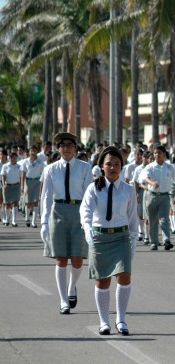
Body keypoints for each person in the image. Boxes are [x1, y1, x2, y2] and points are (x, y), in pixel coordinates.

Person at [80, 146, 138, 336]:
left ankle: (121, 319)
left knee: (124, 277)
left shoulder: (128, 190)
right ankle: (104, 321)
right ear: (102, 166)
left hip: (121, 237)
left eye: (116, 164)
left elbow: (132, 218)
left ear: (122, 166)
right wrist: (88, 232)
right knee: (102, 280)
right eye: (109, 164)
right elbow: (85, 212)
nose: (113, 167)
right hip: (99, 237)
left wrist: (134, 240)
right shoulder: (94, 188)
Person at [40, 132, 93, 314]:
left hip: (79, 212)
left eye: (70, 145)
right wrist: (44, 222)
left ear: (75, 148)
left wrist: (90, 221)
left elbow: (89, 195)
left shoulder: (85, 168)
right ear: (58, 149)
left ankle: (72, 287)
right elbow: (46, 196)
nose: (66, 148)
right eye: (62, 145)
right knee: (61, 258)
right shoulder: (50, 169)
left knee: (78, 259)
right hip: (58, 211)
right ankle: (63, 300)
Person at [145, 145, 175, 251]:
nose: (156, 155)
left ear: (164, 154)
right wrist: (152, 183)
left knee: (164, 219)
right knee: (153, 220)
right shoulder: (150, 166)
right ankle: (154, 242)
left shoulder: (169, 167)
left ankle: (166, 240)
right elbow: (147, 178)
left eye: (159, 153)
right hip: (152, 195)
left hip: (165, 196)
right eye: (155, 153)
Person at [20, 146, 45, 227]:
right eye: (31, 151)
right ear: (29, 152)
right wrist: (22, 185)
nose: (33, 152)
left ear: (37, 151)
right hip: (28, 181)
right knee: (28, 202)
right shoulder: (25, 161)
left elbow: (42, 173)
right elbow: (23, 173)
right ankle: (27, 218)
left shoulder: (40, 161)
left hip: (37, 182)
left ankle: (34, 221)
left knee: (35, 202)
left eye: (34, 151)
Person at [2, 152, 22, 227]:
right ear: (9, 158)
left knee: (15, 203)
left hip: (16, 185)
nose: (13, 159)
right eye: (11, 158)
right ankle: (7, 219)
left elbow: (21, 176)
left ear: (16, 158)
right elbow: (3, 176)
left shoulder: (19, 166)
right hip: (8, 186)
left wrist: (21, 186)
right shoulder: (5, 166)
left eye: (14, 157)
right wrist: (4, 184)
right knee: (7, 203)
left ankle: (14, 220)